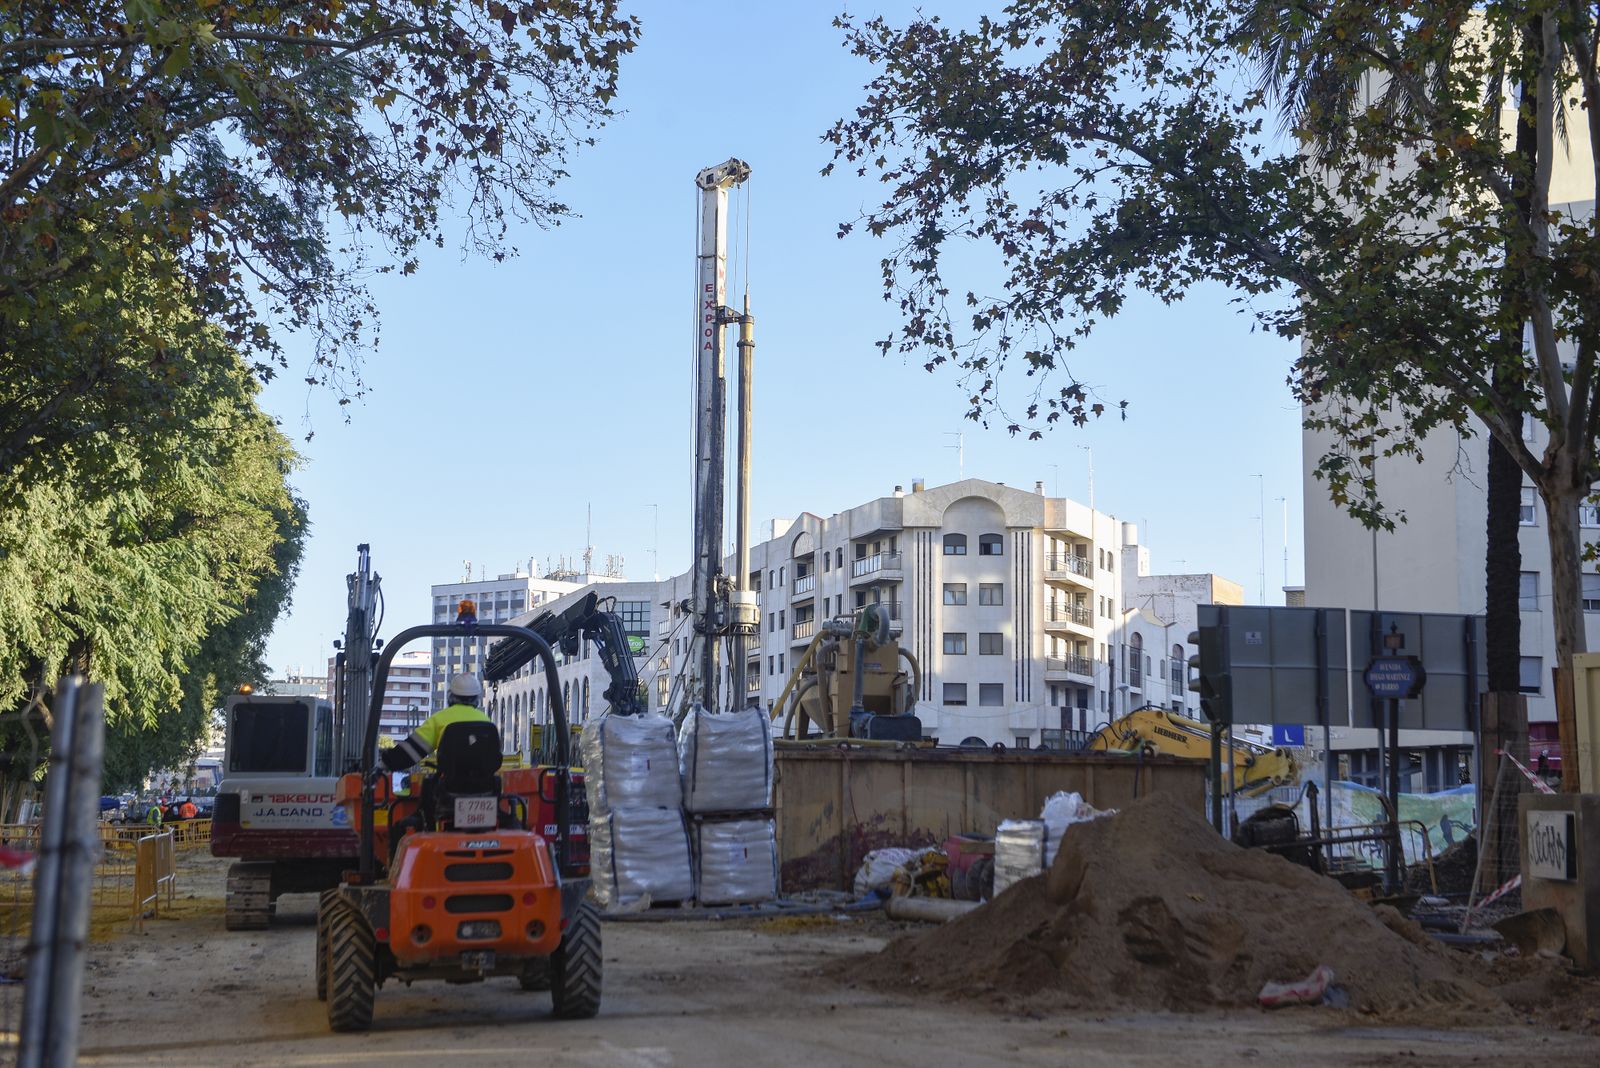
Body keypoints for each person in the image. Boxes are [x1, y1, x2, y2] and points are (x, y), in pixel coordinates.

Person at [380, 674, 494, 859]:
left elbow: (411, 751)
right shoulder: (485, 721)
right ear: (476, 698)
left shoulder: (440, 719)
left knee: (427, 789)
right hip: (485, 789)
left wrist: (384, 765)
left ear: (451, 696)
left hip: (449, 789)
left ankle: (429, 828)